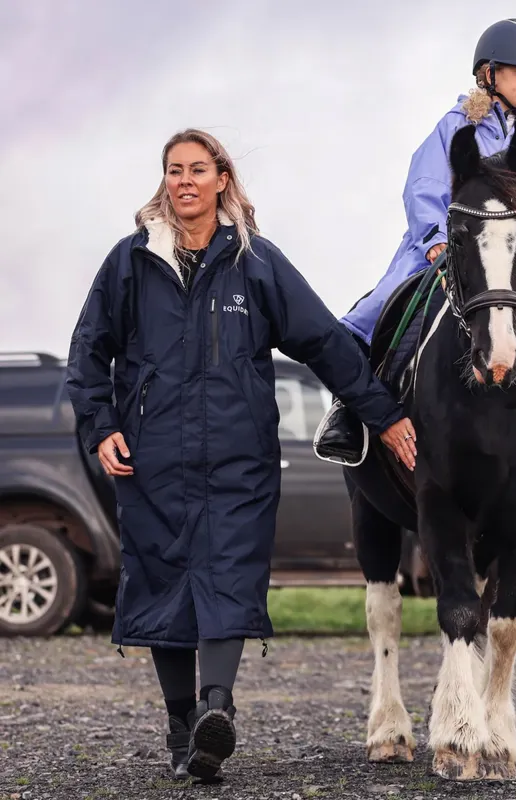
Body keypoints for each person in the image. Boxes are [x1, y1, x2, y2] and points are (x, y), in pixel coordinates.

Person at [65, 129, 417, 782]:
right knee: (166, 586)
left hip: (239, 460)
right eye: (175, 171)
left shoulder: (257, 264)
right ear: (165, 180)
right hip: (152, 458)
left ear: (223, 178)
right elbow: (88, 349)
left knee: (229, 576)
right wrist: (99, 425)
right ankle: (181, 733)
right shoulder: (130, 262)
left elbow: (326, 344)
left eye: (198, 169)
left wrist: (385, 415)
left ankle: (215, 710)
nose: (185, 181)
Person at [318, 18, 516, 474]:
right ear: (488, 73)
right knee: (373, 316)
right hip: (446, 251)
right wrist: (434, 242)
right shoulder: (452, 128)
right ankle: (349, 414)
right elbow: (424, 186)